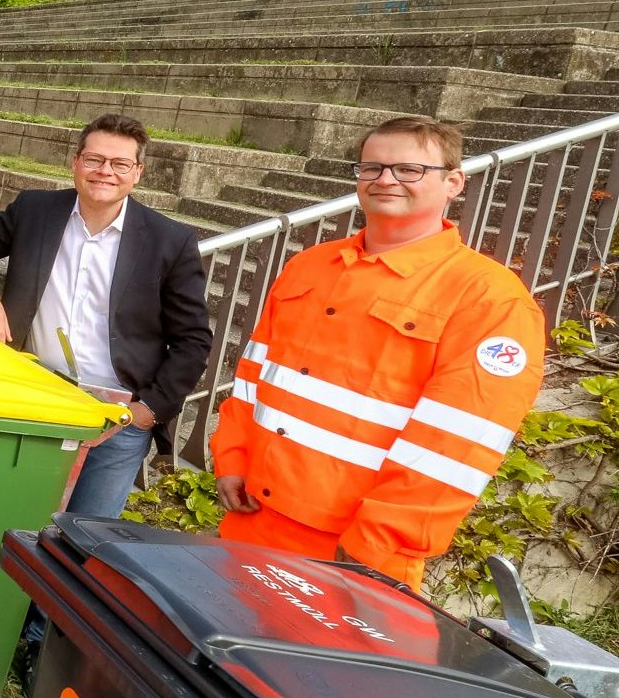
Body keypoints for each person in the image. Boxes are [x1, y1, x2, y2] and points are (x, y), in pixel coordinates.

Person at [211, 116, 544, 589]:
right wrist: (232, 457)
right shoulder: (310, 265)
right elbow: (253, 376)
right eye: (372, 168)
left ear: (453, 182)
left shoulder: (489, 299)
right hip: (253, 518)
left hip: (354, 551)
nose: (385, 180)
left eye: (409, 169)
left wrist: (376, 543)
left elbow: (456, 444)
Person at [0, 113, 213, 527]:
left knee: (82, 535)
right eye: (94, 159)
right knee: (8, 522)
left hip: (115, 419)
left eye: (120, 164)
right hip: (33, 397)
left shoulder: (169, 239)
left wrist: (147, 411)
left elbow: (193, 340)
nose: (104, 171)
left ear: (138, 173)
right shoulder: (35, 210)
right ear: (76, 162)